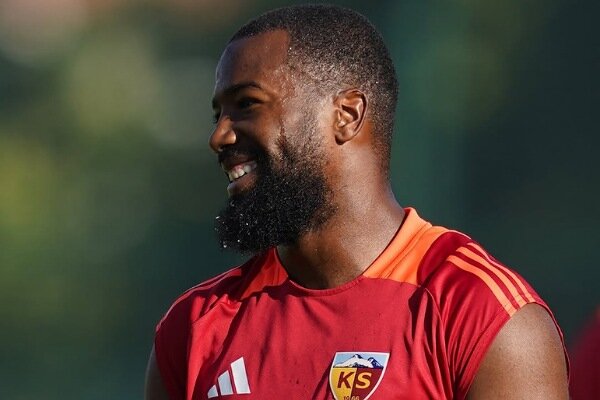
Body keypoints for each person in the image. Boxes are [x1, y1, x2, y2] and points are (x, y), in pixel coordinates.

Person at [145, 5, 568, 399]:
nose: (219, 136)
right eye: (217, 114)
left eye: (247, 105)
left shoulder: (482, 316)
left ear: (346, 115)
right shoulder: (193, 329)